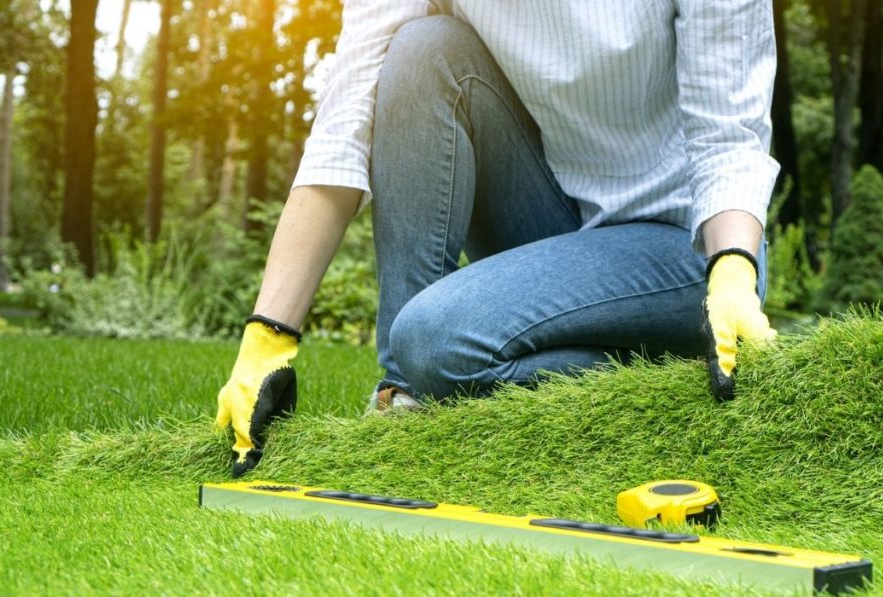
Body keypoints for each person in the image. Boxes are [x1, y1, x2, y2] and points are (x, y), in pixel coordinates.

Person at [215, 1, 779, 477]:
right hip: (551, 216)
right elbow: (346, 125)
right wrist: (269, 336)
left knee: (436, 341)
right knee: (424, 50)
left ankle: (668, 376)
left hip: (686, 244)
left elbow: (729, 132)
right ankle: (401, 400)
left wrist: (731, 266)